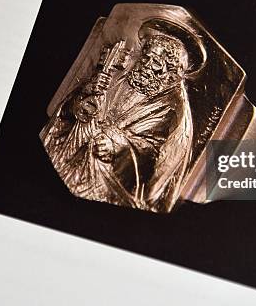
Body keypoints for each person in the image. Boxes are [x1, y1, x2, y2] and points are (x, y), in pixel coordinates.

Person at [41, 22, 195, 213]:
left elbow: (156, 157)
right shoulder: (126, 76)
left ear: (170, 74)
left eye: (156, 63)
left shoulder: (173, 108)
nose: (146, 65)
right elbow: (73, 106)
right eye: (145, 57)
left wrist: (117, 145)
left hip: (107, 186)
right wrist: (80, 106)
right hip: (61, 157)